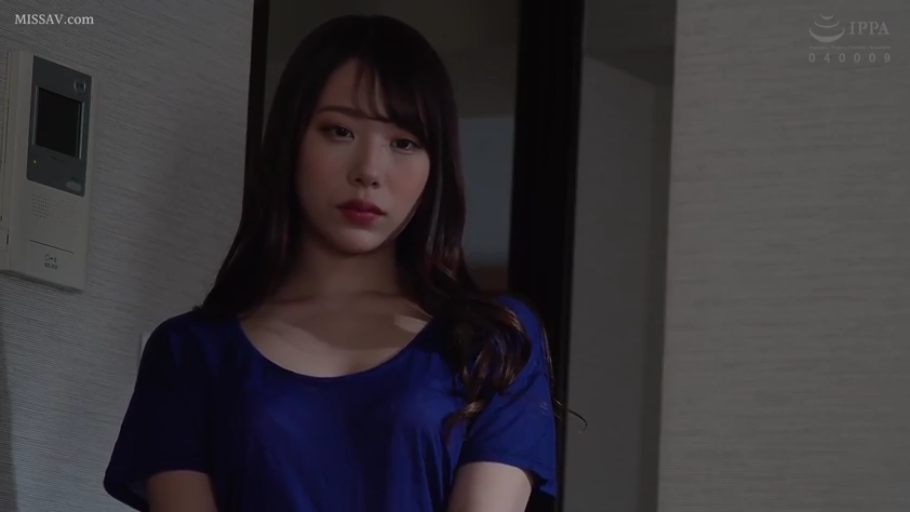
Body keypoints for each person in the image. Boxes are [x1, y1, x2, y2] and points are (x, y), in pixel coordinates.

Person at [103, 14, 557, 512]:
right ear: (292, 140)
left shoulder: (495, 344)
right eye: (339, 131)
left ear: (436, 167)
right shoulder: (189, 353)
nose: (368, 171)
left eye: (404, 142)